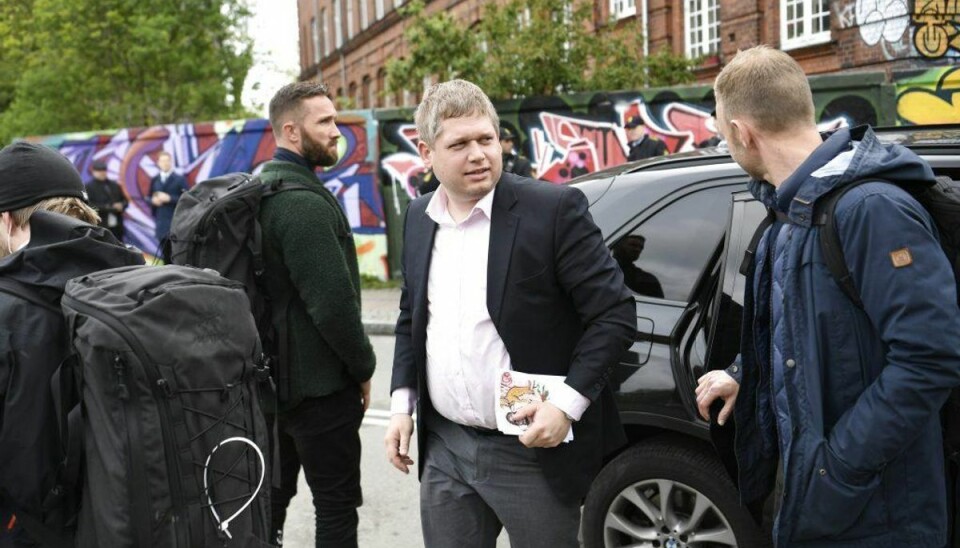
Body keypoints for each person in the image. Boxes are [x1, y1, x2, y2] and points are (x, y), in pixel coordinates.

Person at [695, 45, 960, 547]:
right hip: (818, 497)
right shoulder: (792, 212)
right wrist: (746, 373)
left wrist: (834, 470)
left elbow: (930, 358)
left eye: (723, 134)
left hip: (877, 512)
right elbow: (810, 331)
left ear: (740, 132)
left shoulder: (870, 209)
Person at [384, 79, 635, 548]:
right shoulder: (419, 218)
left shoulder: (552, 209)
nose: (479, 154)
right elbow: (412, 317)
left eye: (487, 138)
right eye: (459, 144)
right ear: (426, 153)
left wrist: (566, 407)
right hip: (445, 449)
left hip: (529, 451)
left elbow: (615, 314)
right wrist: (403, 406)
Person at [0, 142, 143, 547]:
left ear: (8, 220)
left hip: (33, 528)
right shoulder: (134, 280)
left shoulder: (7, 310)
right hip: (129, 519)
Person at [259, 81, 376, 548]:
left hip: (269, 387)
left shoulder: (262, 187)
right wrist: (363, 367)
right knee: (335, 504)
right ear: (291, 131)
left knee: (269, 501)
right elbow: (332, 305)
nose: (336, 131)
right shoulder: (301, 204)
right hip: (319, 390)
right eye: (324, 121)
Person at [148, 151, 188, 262]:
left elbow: (187, 198)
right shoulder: (155, 179)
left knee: (176, 254)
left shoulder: (179, 179)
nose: (165, 163)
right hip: (161, 222)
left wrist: (170, 198)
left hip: (175, 222)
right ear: (158, 163)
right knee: (165, 255)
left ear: (171, 162)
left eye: (167, 161)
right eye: (162, 161)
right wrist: (153, 200)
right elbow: (147, 197)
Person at [85, 159, 128, 242]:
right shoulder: (89, 187)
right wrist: (110, 207)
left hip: (117, 225)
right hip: (101, 226)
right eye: (99, 170)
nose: (102, 172)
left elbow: (125, 201)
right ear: (93, 172)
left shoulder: (114, 185)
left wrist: (122, 205)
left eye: (104, 170)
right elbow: (89, 205)